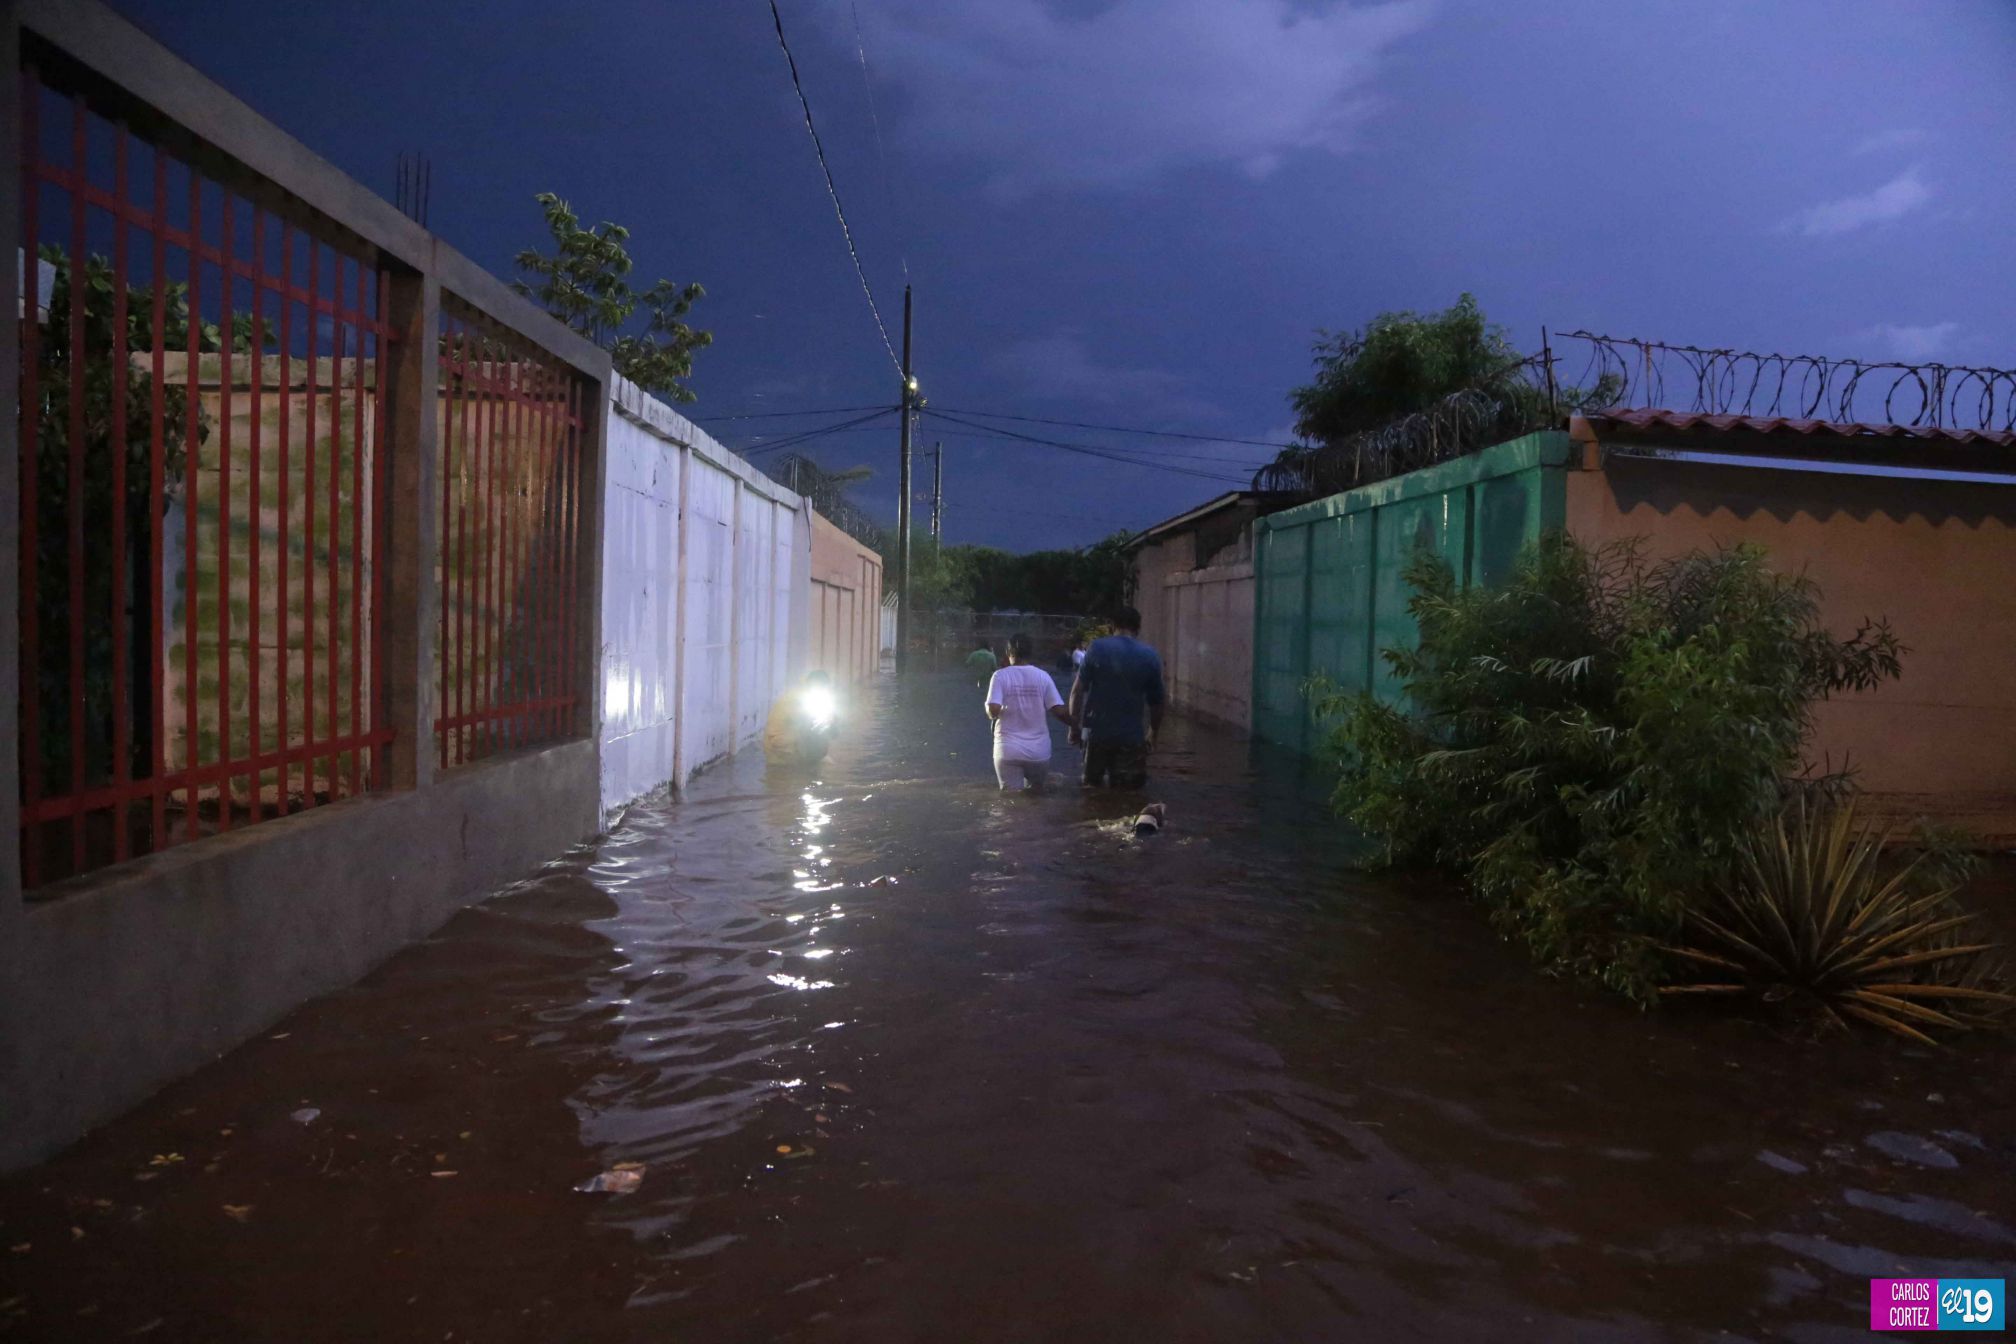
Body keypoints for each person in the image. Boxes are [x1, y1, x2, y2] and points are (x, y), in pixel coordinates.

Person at [1067, 607, 1165, 790]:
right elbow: (1158, 702)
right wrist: (1153, 732)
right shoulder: (1150, 655)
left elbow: (1076, 692)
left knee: (1091, 789)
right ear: (1137, 629)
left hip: (1095, 734)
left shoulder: (1096, 648)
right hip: (1131, 737)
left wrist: (1074, 726)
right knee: (1129, 794)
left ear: (1112, 626)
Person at [985, 633, 1069, 792]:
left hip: (1007, 749)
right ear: (1031, 653)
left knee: (1010, 798)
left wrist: (990, 710)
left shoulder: (1000, 676)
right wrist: (1076, 725)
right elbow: (1059, 711)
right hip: (1038, 751)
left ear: (1008, 652)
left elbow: (993, 710)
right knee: (1037, 796)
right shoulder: (1043, 676)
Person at [764, 669, 839, 765]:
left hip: (792, 744)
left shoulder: (815, 697)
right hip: (781, 749)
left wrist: (832, 723)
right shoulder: (798, 698)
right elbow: (810, 728)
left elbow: (832, 729)